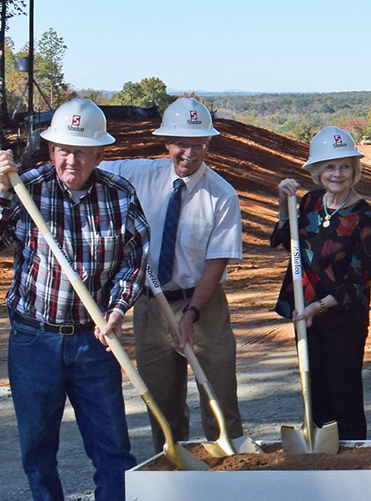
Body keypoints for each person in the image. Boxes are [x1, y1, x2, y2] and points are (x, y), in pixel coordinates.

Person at [0, 98, 146, 501]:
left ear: (99, 154)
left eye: (82, 151)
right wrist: (0, 189)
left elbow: (135, 262)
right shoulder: (27, 188)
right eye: (64, 150)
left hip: (95, 341)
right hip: (34, 340)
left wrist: (117, 310)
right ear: (51, 150)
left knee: (113, 450)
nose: (72, 160)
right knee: (38, 453)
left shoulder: (119, 195)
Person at [97, 97, 245, 452]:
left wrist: (191, 314)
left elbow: (216, 263)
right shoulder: (137, 174)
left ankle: (230, 466)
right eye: (181, 143)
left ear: (208, 145)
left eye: (198, 145)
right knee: (163, 407)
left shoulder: (222, 195)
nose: (189, 154)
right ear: (166, 142)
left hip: (203, 306)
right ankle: (173, 467)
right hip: (150, 306)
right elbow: (85, 165)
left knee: (219, 398)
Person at [272, 126, 371, 440]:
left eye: (345, 166)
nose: (337, 174)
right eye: (330, 167)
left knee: (344, 395)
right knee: (315, 389)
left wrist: (318, 307)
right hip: (305, 311)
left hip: (342, 317)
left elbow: (357, 280)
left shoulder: (367, 218)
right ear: (318, 171)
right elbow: (286, 239)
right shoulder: (310, 202)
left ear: (355, 170)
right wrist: (283, 202)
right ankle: (319, 456)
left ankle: (350, 456)